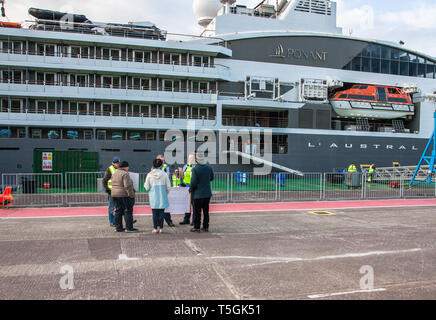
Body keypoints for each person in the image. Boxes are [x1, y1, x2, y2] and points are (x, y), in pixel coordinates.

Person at [189, 152, 214, 232]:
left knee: (197, 212)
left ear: (196, 160)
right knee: (206, 211)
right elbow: (212, 178)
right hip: (207, 193)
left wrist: (191, 189)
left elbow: (193, 182)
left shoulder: (195, 169)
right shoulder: (209, 167)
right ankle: (206, 226)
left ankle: (197, 227)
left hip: (198, 194)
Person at [145, 158, 171, 234]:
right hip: (162, 195)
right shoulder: (164, 174)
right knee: (161, 213)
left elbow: (146, 187)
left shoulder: (149, 174)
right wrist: (165, 193)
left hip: (153, 196)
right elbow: (168, 187)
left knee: (155, 213)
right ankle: (161, 228)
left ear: (153, 165)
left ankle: (155, 228)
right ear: (161, 165)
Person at [111, 161, 138, 233]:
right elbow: (127, 186)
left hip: (114, 194)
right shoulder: (125, 174)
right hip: (124, 195)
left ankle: (118, 228)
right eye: (128, 167)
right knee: (128, 211)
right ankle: (129, 228)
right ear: (125, 167)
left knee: (118, 211)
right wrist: (131, 195)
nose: (128, 168)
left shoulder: (114, 173)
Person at [156, 154, 175, 227]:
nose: (163, 161)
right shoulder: (154, 167)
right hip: (157, 188)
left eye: (163, 160)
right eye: (161, 160)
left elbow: (167, 175)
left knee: (166, 206)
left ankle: (169, 221)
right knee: (157, 206)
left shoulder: (166, 167)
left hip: (164, 188)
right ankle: (158, 222)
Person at [102, 156, 120, 227]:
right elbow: (104, 181)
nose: (117, 164)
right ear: (113, 163)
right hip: (111, 191)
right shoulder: (110, 169)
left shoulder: (118, 169)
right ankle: (112, 222)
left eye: (118, 163)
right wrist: (107, 190)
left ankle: (116, 221)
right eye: (116, 163)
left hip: (117, 191)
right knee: (112, 207)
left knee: (118, 207)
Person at [180, 152, 196, 225]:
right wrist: (179, 173)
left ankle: (194, 220)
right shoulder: (185, 166)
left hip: (193, 188)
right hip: (186, 188)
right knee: (187, 205)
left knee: (194, 204)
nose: (189, 159)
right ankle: (186, 219)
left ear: (195, 159)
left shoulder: (196, 167)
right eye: (189, 158)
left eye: (191, 158)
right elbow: (183, 176)